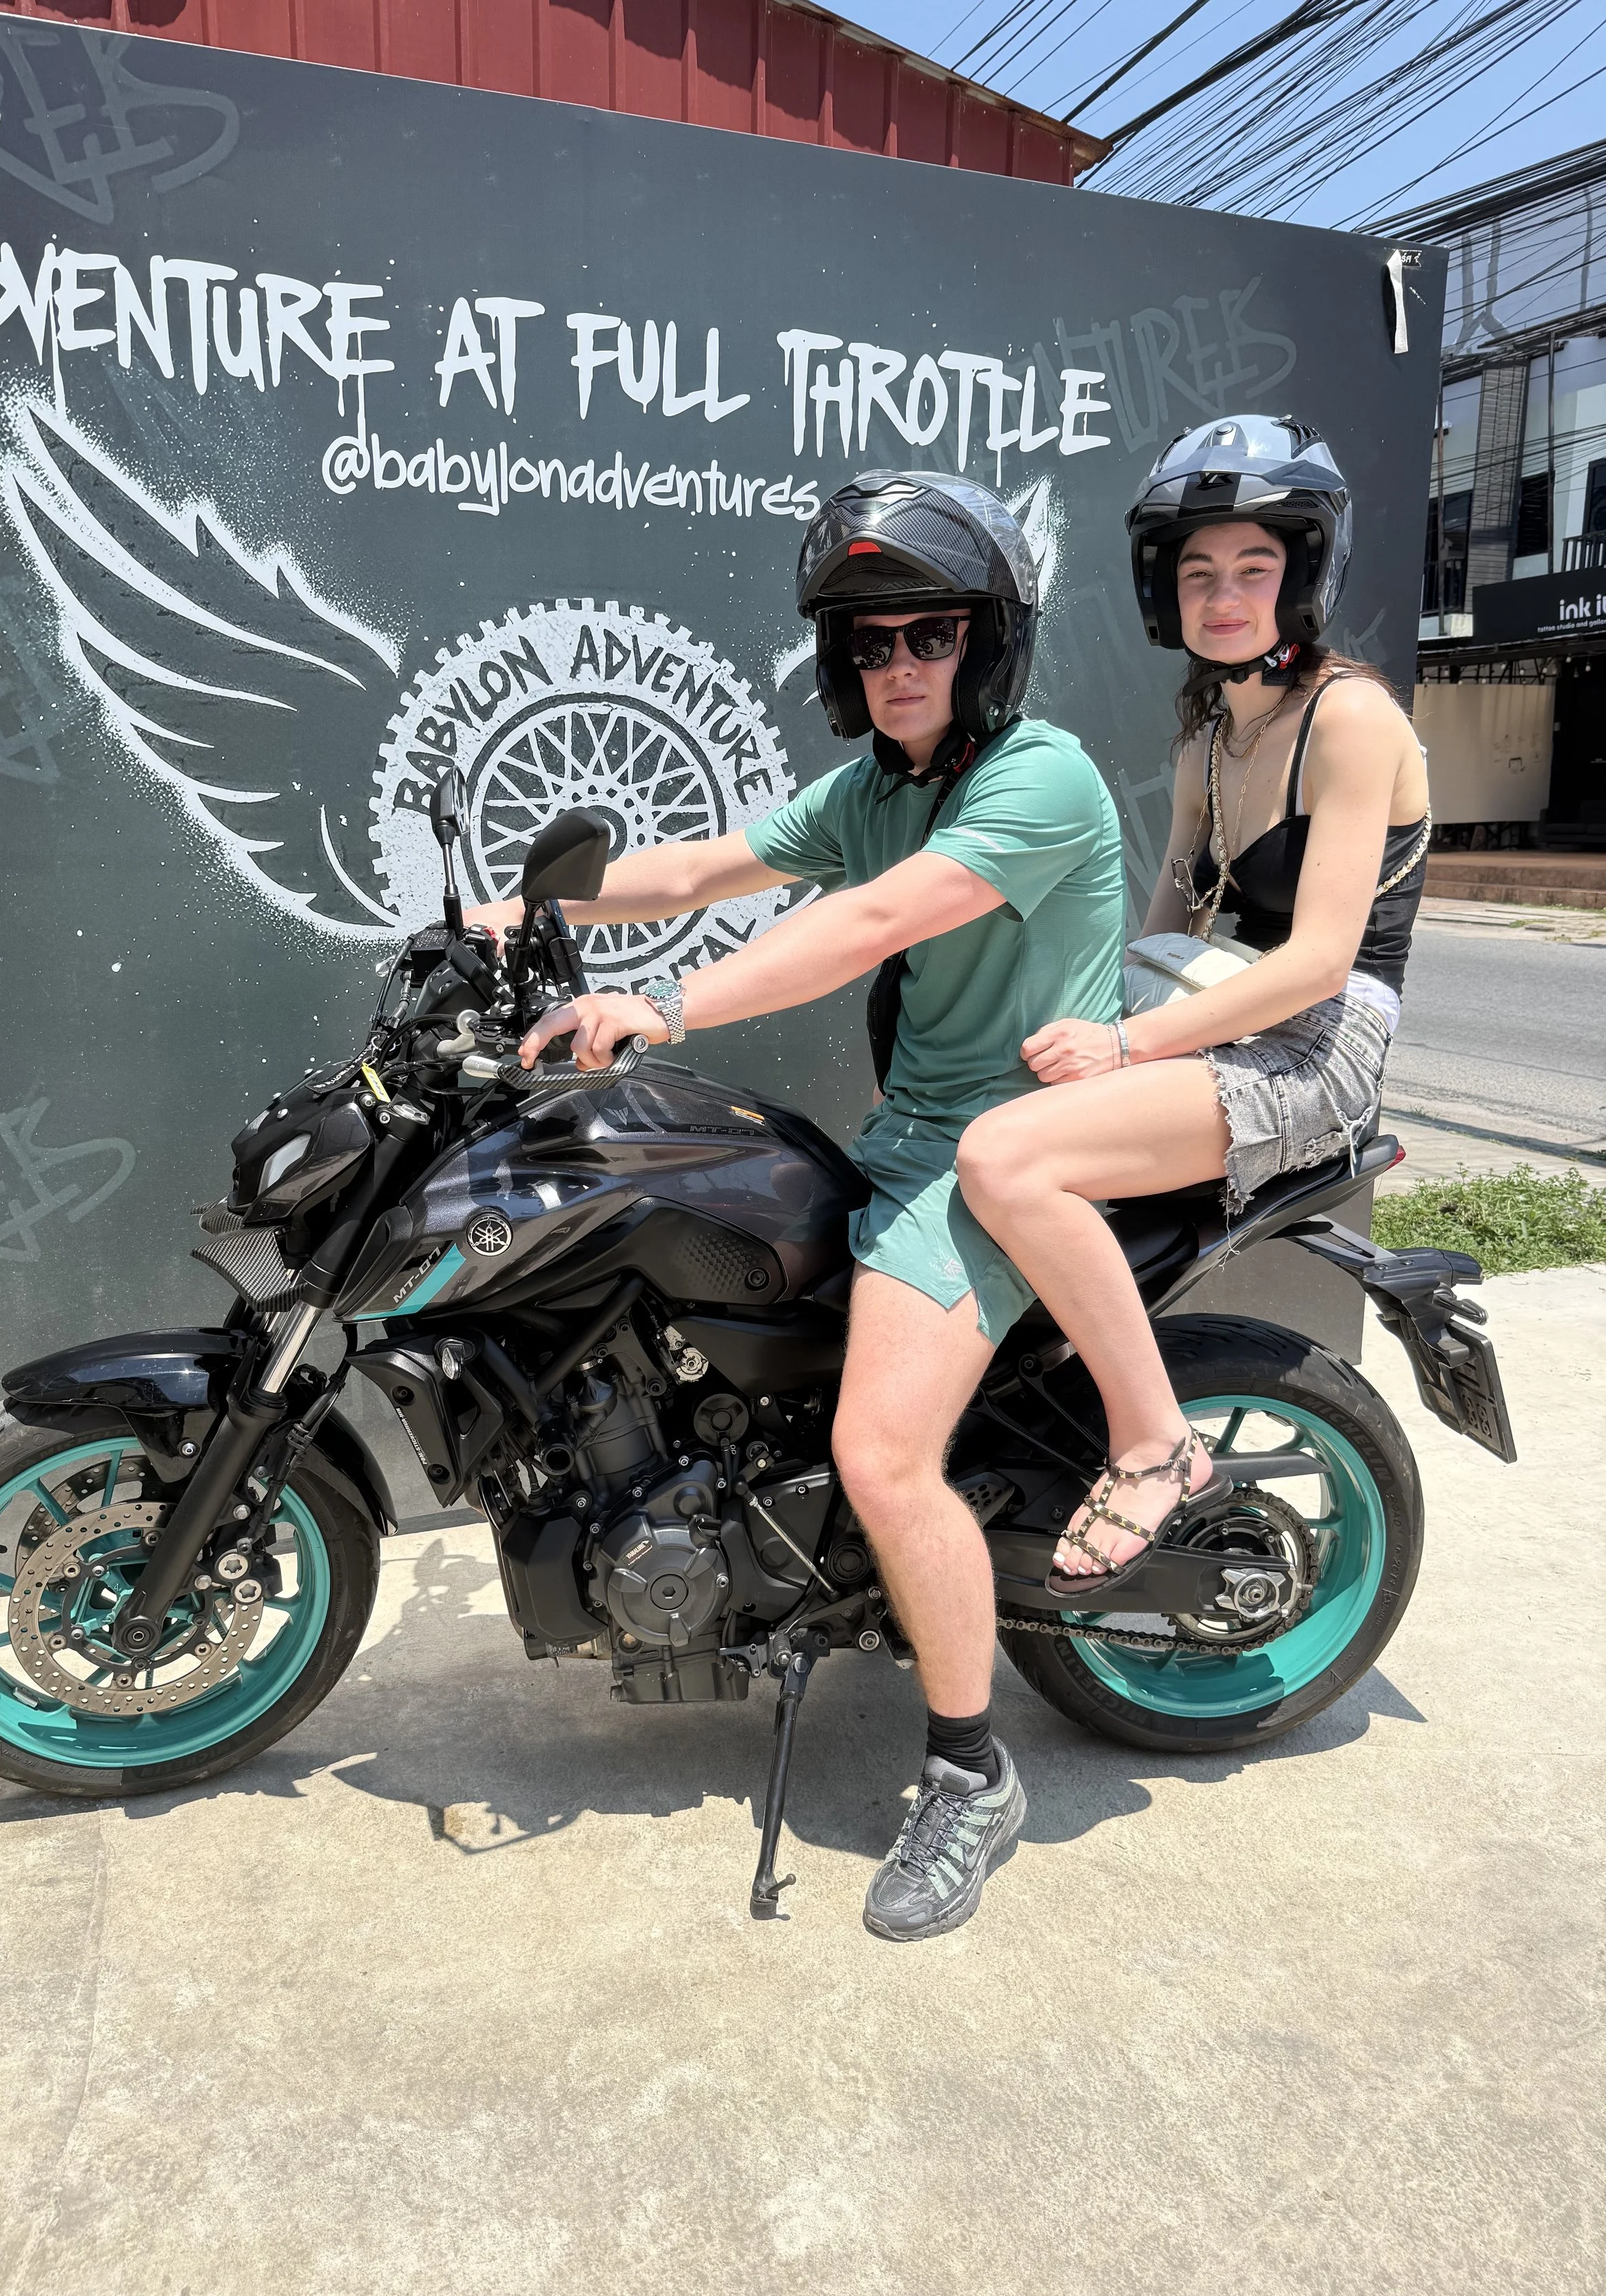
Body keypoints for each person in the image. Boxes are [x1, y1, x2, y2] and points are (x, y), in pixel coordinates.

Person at [469, 470, 1126, 1941]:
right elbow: (704, 863)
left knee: (881, 1451)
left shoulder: (1037, 777)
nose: (895, 664)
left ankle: (967, 1773)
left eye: (929, 635)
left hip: (1004, 1155)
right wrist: (521, 918)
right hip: (912, 1139)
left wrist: (665, 1005)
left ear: (987, 640)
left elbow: (870, 924)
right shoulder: (877, 786)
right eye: (869, 641)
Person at [956, 415, 1430, 1594]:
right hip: (1212, 1005)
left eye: (1254, 570)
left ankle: (1158, 1444)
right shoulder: (1212, 725)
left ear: (1303, 576)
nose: (1224, 597)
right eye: (1199, 572)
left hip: (1321, 1041)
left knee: (1008, 1163)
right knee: (974, 1103)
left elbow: (1320, 958)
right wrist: (1072, 1009)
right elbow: (1169, 915)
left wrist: (1125, 1042)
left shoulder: (1349, 718)